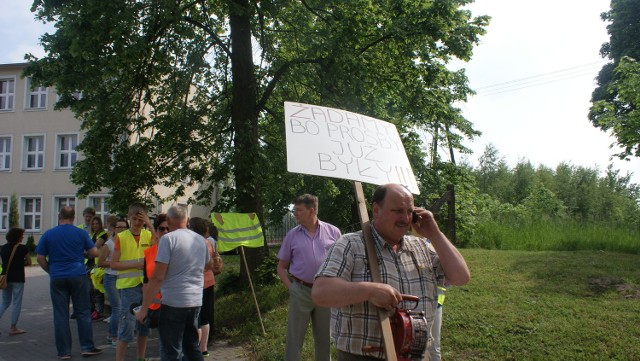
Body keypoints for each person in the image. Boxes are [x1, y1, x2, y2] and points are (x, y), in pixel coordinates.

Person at [312, 184, 470, 360]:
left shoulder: (421, 247)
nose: (405, 218)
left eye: (410, 211)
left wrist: (435, 233)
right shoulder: (351, 244)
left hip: (416, 354)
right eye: (398, 211)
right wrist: (369, 291)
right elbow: (321, 292)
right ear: (376, 210)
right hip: (364, 356)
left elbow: (461, 277)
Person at [135, 205, 211, 361]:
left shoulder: (168, 239)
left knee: (171, 351)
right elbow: (208, 265)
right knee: (191, 347)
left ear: (168, 221)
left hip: (174, 302)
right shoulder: (200, 240)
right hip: (195, 301)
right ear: (187, 220)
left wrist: (144, 309)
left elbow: (157, 277)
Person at [277, 194, 341, 361]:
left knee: (324, 339)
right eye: (294, 210)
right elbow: (281, 267)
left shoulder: (333, 232)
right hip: (301, 291)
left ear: (311, 210)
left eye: (299, 210)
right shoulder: (292, 235)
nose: (295, 214)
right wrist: (292, 288)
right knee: (294, 339)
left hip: (326, 293)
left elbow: (343, 264)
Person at [36, 206, 104, 359]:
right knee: (83, 312)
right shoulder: (80, 233)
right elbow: (94, 252)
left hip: (57, 277)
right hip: (78, 274)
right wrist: (83, 253)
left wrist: (51, 271)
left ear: (59, 216)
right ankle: (87, 347)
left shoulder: (49, 234)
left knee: (60, 314)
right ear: (74, 217)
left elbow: (40, 257)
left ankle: (64, 352)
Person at [110, 203, 155, 361]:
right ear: (129, 218)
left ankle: (140, 358)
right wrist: (136, 264)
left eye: (141, 219)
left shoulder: (147, 235)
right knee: (127, 325)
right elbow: (113, 264)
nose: (137, 222)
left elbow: (158, 246)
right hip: (128, 286)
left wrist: (150, 224)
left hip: (145, 286)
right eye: (134, 218)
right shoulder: (121, 237)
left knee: (144, 325)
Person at [98, 216, 127, 347]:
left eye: (124, 227)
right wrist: (115, 264)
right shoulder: (109, 244)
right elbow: (100, 262)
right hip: (111, 278)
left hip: (123, 278)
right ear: (114, 229)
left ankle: (115, 334)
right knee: (118, 307)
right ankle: (113, 336)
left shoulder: (127, 242)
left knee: (122, 308)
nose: (121, 229)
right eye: (119, 227)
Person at [188, 217, 215, 357]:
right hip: (209, 281)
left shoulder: (192, 243)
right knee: (205, 316)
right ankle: (203, 348)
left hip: (196, 283)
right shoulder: (208, 243)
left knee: (195, 318)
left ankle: (195, 347)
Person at [0, 227, 32, 336]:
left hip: (5, 277)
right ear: (18, 236)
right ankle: (13, 327)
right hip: (18, 278)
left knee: (4, 302)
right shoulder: (23, 248)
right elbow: (29, 262)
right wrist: (20, 263)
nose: (23, 237)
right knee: (16, 302)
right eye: (22, 235)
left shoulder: (3, 248)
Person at [88, 216, 108, 321]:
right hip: (93, 265)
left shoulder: (103, 235)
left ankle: (100, 311)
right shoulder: (93, 234)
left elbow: (94, 246)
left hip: (99, 266)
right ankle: (95, 310)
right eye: (93, 224)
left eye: (97, 224)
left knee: (98, 290)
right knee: (93, 290)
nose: (95, 226)